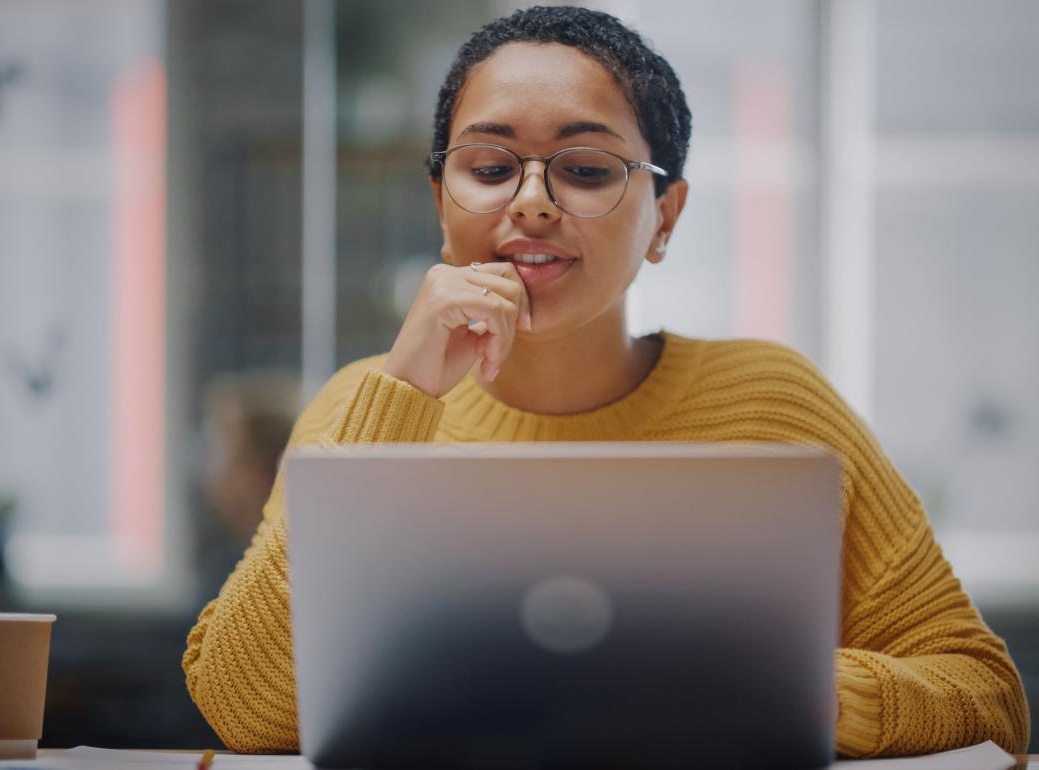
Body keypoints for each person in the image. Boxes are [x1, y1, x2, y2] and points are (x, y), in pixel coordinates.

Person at [182, 5, 1030, 758]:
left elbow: (988, 697)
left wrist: (799, 692)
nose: (533, 201)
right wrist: (404, 388)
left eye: (586, 170)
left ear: (665, 216)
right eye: (490, 166)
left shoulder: (777, 401)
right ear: (441, 201)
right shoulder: (362, 404)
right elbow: (241, 709)